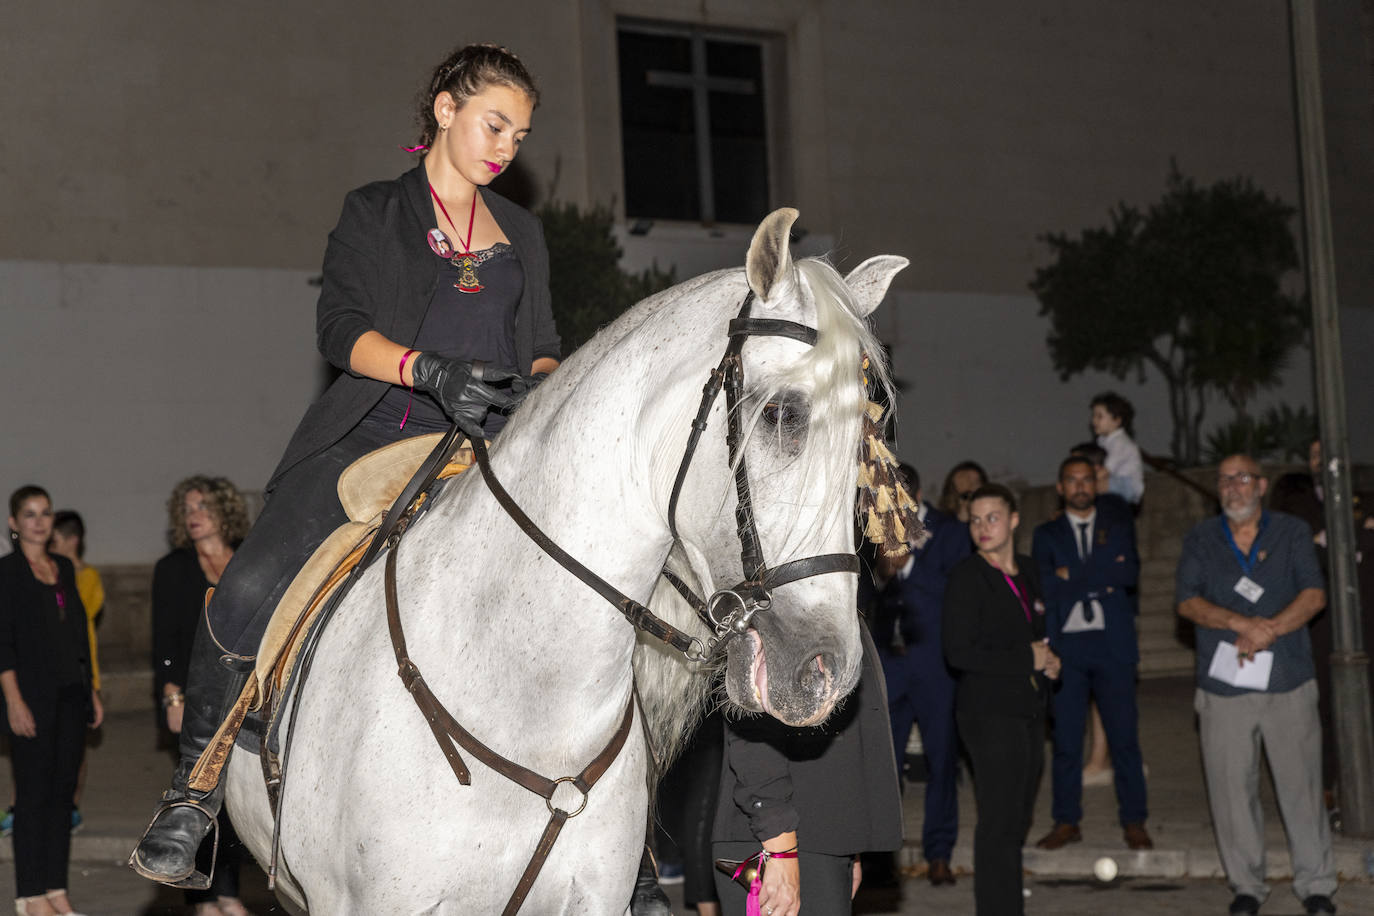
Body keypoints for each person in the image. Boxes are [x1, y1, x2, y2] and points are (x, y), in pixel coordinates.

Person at [130, 42, 561, 888]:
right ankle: (194, 795)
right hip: (377, 436)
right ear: (446, 108)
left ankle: (635, 843)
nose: (506, 146)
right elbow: (341, 330)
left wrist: (532, 400)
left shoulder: (526, 233)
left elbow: (543, 349)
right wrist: (429, 370)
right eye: (494, 123)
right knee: (248, 587)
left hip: (491, 453)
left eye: (520, 134)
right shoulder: (375, 211)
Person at [1176, 455, 1337, 916]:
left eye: (1243, 478)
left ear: (1261, 485)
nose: (1233, 487)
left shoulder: (1291, 531)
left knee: (1302, 786)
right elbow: (1187, 601)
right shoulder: (1201, 538)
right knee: (1230, 789)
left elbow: (1314, 593)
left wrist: (1271, 629)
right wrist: (1239, 622)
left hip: (1287, 679)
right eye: (1225, 480)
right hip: (1224, 684)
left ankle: (1316, 884)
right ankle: (1246, 886)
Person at [710, 621, 902, 916]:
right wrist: (780, 848)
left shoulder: (824, 593)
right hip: (780, 837)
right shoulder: (780, 595)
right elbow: (755, 735)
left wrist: (850, 843)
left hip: (817, 836)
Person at [942, 484, 1058, 916]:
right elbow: (959, 652)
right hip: (988, 714)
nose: (982, 527)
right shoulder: (966, 577)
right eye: (975, 520)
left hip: (1029, 710)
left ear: (1013, 519)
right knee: (999, 823)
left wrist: (1047, 662)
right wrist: (1026, 656)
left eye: (992, 518)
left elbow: (1033, 633)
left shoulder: (1029, 570)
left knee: (1018, 818)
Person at [1032, 456, 1151, 852]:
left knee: (1124, 737)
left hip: (1112, 643)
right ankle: (1067, 821)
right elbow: (1044, 585)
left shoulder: (1117, 526)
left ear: (1095, 485)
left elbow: (1128, 574)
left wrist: (1071, 576)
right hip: (1067, 647)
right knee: (1066, 740)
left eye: (1087, 479)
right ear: (1061, 487)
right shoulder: (1046, 533)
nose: (1081, 486)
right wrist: (1098, 575)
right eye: (1072, 480)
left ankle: (1134, 820)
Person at [152, 477, 254, 916]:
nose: (193, 515)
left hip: (244, 693)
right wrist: (172, 696)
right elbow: (165, 640)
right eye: (187, 508)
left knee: (236, 802)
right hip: (196, 698)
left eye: (202, 506)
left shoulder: (249, 560)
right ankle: (202, 898)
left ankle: (228, 893)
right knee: (197, 796)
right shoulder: (174, 567)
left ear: (223, 511)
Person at [3, 486, 103, 916]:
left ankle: (56, 888)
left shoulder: (62, 566)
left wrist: (91, 688)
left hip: (70, 695)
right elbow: (2, 642)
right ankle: (29, 895)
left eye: (45, 513)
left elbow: (79, 632)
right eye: (30, 514)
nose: (40, 521)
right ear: (13, 524)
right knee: (33, 796)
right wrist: (14, 700)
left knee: (63, 795)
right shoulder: (6, 572)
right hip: (31, 696)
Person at [873, 463, 969, 886]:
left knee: (941, 760)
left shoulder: (948, 530)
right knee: (882, 767)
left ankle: (939, 853)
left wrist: (907, 565)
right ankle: (880, 861)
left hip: (934, 666)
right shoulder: (872, 531)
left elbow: (959, 590)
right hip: (889, 666)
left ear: (915, 493)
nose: (890, 505)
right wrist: (881, 569)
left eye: (897, 497)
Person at [1271, 438, 1374, 812]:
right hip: (1319, 626)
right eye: (1314, 455)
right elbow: (1293, 551)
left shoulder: (1365, 493)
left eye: (1327, 454)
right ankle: (1326, 787)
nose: (1321, 461)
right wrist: (1352, 538)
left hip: (1365, 618)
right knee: (1322, 712)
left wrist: (1332, 541)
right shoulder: (1295, 501)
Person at [47, 511, 104, 837]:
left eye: (55, 539)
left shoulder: (88, 577)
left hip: (84, 672)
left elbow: (77, 610)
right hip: (52, 673)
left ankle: (71, 807)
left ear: (72, 541)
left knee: (75, 747)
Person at [1090, 392, 1143, 508]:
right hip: (1114, 481)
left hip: (1128, 486)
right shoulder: (1102, 440)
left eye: (1099, 416)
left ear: (1117, 420)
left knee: (1093, 485)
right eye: (1093, 415)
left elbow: (1106, 471)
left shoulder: (1120, 442)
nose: (1094, 421)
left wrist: (1086, 480)